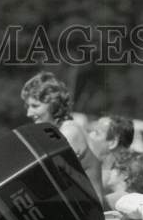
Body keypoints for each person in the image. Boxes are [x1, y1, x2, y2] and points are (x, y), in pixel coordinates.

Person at [20, 71, 104, 203]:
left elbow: (48, 181)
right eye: (28, 106)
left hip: (89, 210)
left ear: (53, 104)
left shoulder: (70, 131)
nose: (28, 113)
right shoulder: (57, 131)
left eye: (35, 106)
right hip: (76, 205)